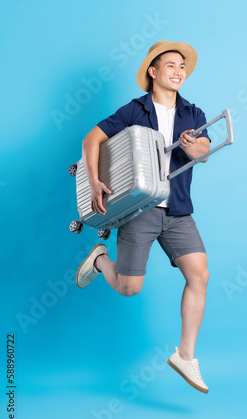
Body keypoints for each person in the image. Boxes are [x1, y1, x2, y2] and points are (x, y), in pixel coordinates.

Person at [76, 41, 211, 393]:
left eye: (183, 66)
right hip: (140, 210)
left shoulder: (193, 113)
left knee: (200, 275)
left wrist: (189, 145)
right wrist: (94, 181)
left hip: (179, 210)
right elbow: (92, 139)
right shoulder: (134, 110)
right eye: (171, 65)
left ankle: (185, 355)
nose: (179, 71)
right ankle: (102, 259)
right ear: (153, 71)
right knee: (129, 288)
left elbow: (205, 151)